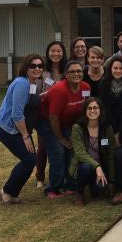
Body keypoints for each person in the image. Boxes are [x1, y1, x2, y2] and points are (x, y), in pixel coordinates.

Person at [39, 60, 91, 198]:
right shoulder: (59, 90)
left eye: (79, 71)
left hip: (67, 124)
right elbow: (53, 117)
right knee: (58, 153)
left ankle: (69, 185)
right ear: (66, 75)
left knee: (72, 152)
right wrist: (61, 138)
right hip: (48, 124)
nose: (76, 74)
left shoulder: (85, 87)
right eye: (72, 71)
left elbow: (84, 110)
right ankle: (52, 189)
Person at [0, 54, 43, 204]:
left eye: (40, 66)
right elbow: (16, 114)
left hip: (17, 129)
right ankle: (6, 193)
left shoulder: (31, 82)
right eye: (33, 66)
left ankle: (12, 195)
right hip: (8, 130)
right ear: (26, 68)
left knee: (30, 159)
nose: (37, 68)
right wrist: (25, 136)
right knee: (29, 159)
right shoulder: (22, 84)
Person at [68, 97, 117, 206]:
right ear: (85, 111)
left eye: (95, 107)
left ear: (100, 110)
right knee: (86, 167)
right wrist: (97, 166)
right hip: (83, 167)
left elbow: (110, 153)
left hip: (100, 170)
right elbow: (80, 153)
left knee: (102, 189)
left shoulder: (106, 128)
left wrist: (112, 180)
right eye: (89, 108)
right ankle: (79, 194)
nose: (92, 111)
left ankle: (93, 188)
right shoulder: (77, 128)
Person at [36, 40, 68, 188]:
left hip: (63, 115)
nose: (56, 54)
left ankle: (62, 177)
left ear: (63, 53)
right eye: (53, 51)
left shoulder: (67, 71)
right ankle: (40, 178)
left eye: (59, 51)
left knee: (61, 147)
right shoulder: (42, 72)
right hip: (44, 116)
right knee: (43, 147)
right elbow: (35, 93)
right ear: (48, 53)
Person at [99, 55, 122, 133]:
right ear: (110, 69)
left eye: (121, 68)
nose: (118, 71)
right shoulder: (103, 84)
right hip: (109, 125)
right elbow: (105, 107)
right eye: (115, 68)